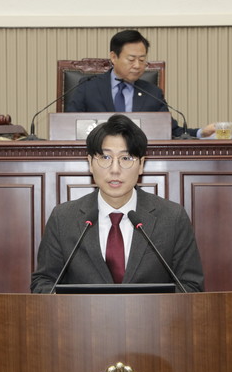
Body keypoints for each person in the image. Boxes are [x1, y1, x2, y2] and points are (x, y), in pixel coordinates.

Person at [31, 114, 204, 293]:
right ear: (90, 163)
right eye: (105, 158)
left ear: (141, 164)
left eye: (126, 158)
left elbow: (191, 286)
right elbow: (43, 283)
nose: (115, 170)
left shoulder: (172, 217)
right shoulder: (63, 218)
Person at [65, 29, 217, 139]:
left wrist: (201, 133)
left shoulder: (153, 93)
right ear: (113, 57)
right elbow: (68, 127)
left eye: (142, 60)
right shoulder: (88, 87)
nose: (137, 65)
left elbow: (171, 131)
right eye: (131, 59)